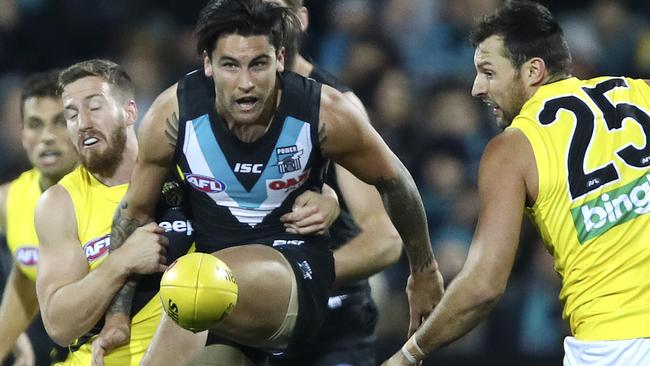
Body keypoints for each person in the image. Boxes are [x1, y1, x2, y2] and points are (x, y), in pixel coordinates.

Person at [97, 0, 444, 365]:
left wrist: (424, 270)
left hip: (291, 275)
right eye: (230, 65)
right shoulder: (173, 114)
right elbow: (134, 213)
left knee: (193, 285)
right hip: (214, 304)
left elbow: (396, 182)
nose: (246, 83)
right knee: (197, 297)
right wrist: (118, 315)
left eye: (258, 64)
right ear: (207, 65)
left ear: (279, 59)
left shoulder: (325, 112)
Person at [382, 1, 650, 365]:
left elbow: (483, 285)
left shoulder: (512, 149)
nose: (477, 88)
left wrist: (407, 355)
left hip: (614, 344)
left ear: (533, 71)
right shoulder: (640, 92)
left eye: (489, 72)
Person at [263, 1, 403, 365]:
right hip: (246, 323)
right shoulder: (205, 105)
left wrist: (294, 284)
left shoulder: (335, 107)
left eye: (274, 9)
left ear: (303, 19)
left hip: (330, 326)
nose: (263, 22)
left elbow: (384, 239)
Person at [33, 59, 196, 366]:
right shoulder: (60, 203)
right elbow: (59, 325)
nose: (82, 123)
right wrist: (121, 260)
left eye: (94, 107)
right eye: (71, 115)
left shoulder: (184, 170)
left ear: (130, 112)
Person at [0, 70, 79, 366]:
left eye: (60, 122)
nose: (47, 137)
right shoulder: (9, 200)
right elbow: (27, 277)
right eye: (35, 124)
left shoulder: (109, 192)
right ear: (22, 135)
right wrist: (11, 340)